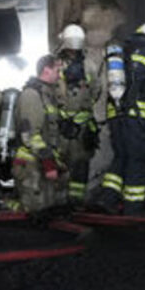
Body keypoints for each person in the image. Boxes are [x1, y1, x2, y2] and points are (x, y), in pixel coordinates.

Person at [96, 23, 145, 216]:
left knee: (121, 157)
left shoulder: (123, 51)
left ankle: (107, 200)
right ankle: (133, 209)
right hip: (136, 117)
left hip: (116, 116)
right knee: (138, 160)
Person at [11, 54, 68, 212]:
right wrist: (48, 163)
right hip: (31, 164)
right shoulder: (31, 95)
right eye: (57, 70)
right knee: (34, 210)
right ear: (46, 70)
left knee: (50, 210)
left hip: (42, 161)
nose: (60, 75)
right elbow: (29, 135)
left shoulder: (48, 95)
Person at [54, 23, 101, 208]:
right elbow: (96, 91)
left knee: (78, 166)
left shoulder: (84, 66)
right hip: (64, 126)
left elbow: (96, 90)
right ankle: (62, 202)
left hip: (75, 128)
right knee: (65, 165)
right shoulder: (87, 65)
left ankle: (74, 203)